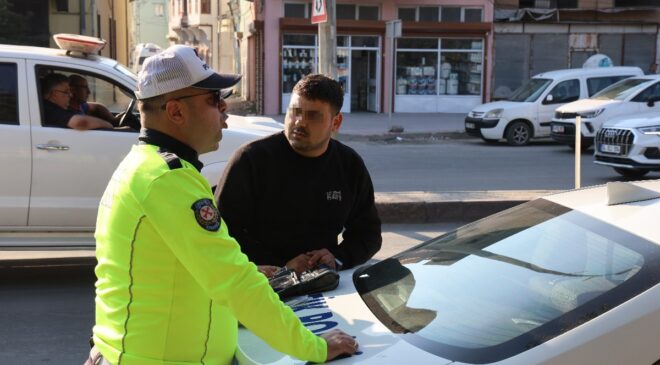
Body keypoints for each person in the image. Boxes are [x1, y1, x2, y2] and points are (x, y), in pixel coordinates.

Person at [89, 45, 358, 365]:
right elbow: (234, 284)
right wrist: (314, 347)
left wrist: (250, 271)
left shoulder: (153, 168)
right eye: (213, 99)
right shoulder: (167, 179)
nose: (225, 108)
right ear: (175, 111)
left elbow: (181, 268)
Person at [215, 74, 382, 274]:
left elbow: (368, 234)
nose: (300, 122)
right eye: (295, 112)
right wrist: (282, 269)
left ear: (335, 123)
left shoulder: (349, 165)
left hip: (322, 284)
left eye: (313, 116)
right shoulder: (250, 160)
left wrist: (336, 258)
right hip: (260, 284)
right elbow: (222, 232)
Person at [41, 73, 114, 130]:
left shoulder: (53, 107)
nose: (71, 95)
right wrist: (109, 126)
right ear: (54, 94)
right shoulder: (49, 110)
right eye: (66, 92)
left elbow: (96, 107)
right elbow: (81, 123)